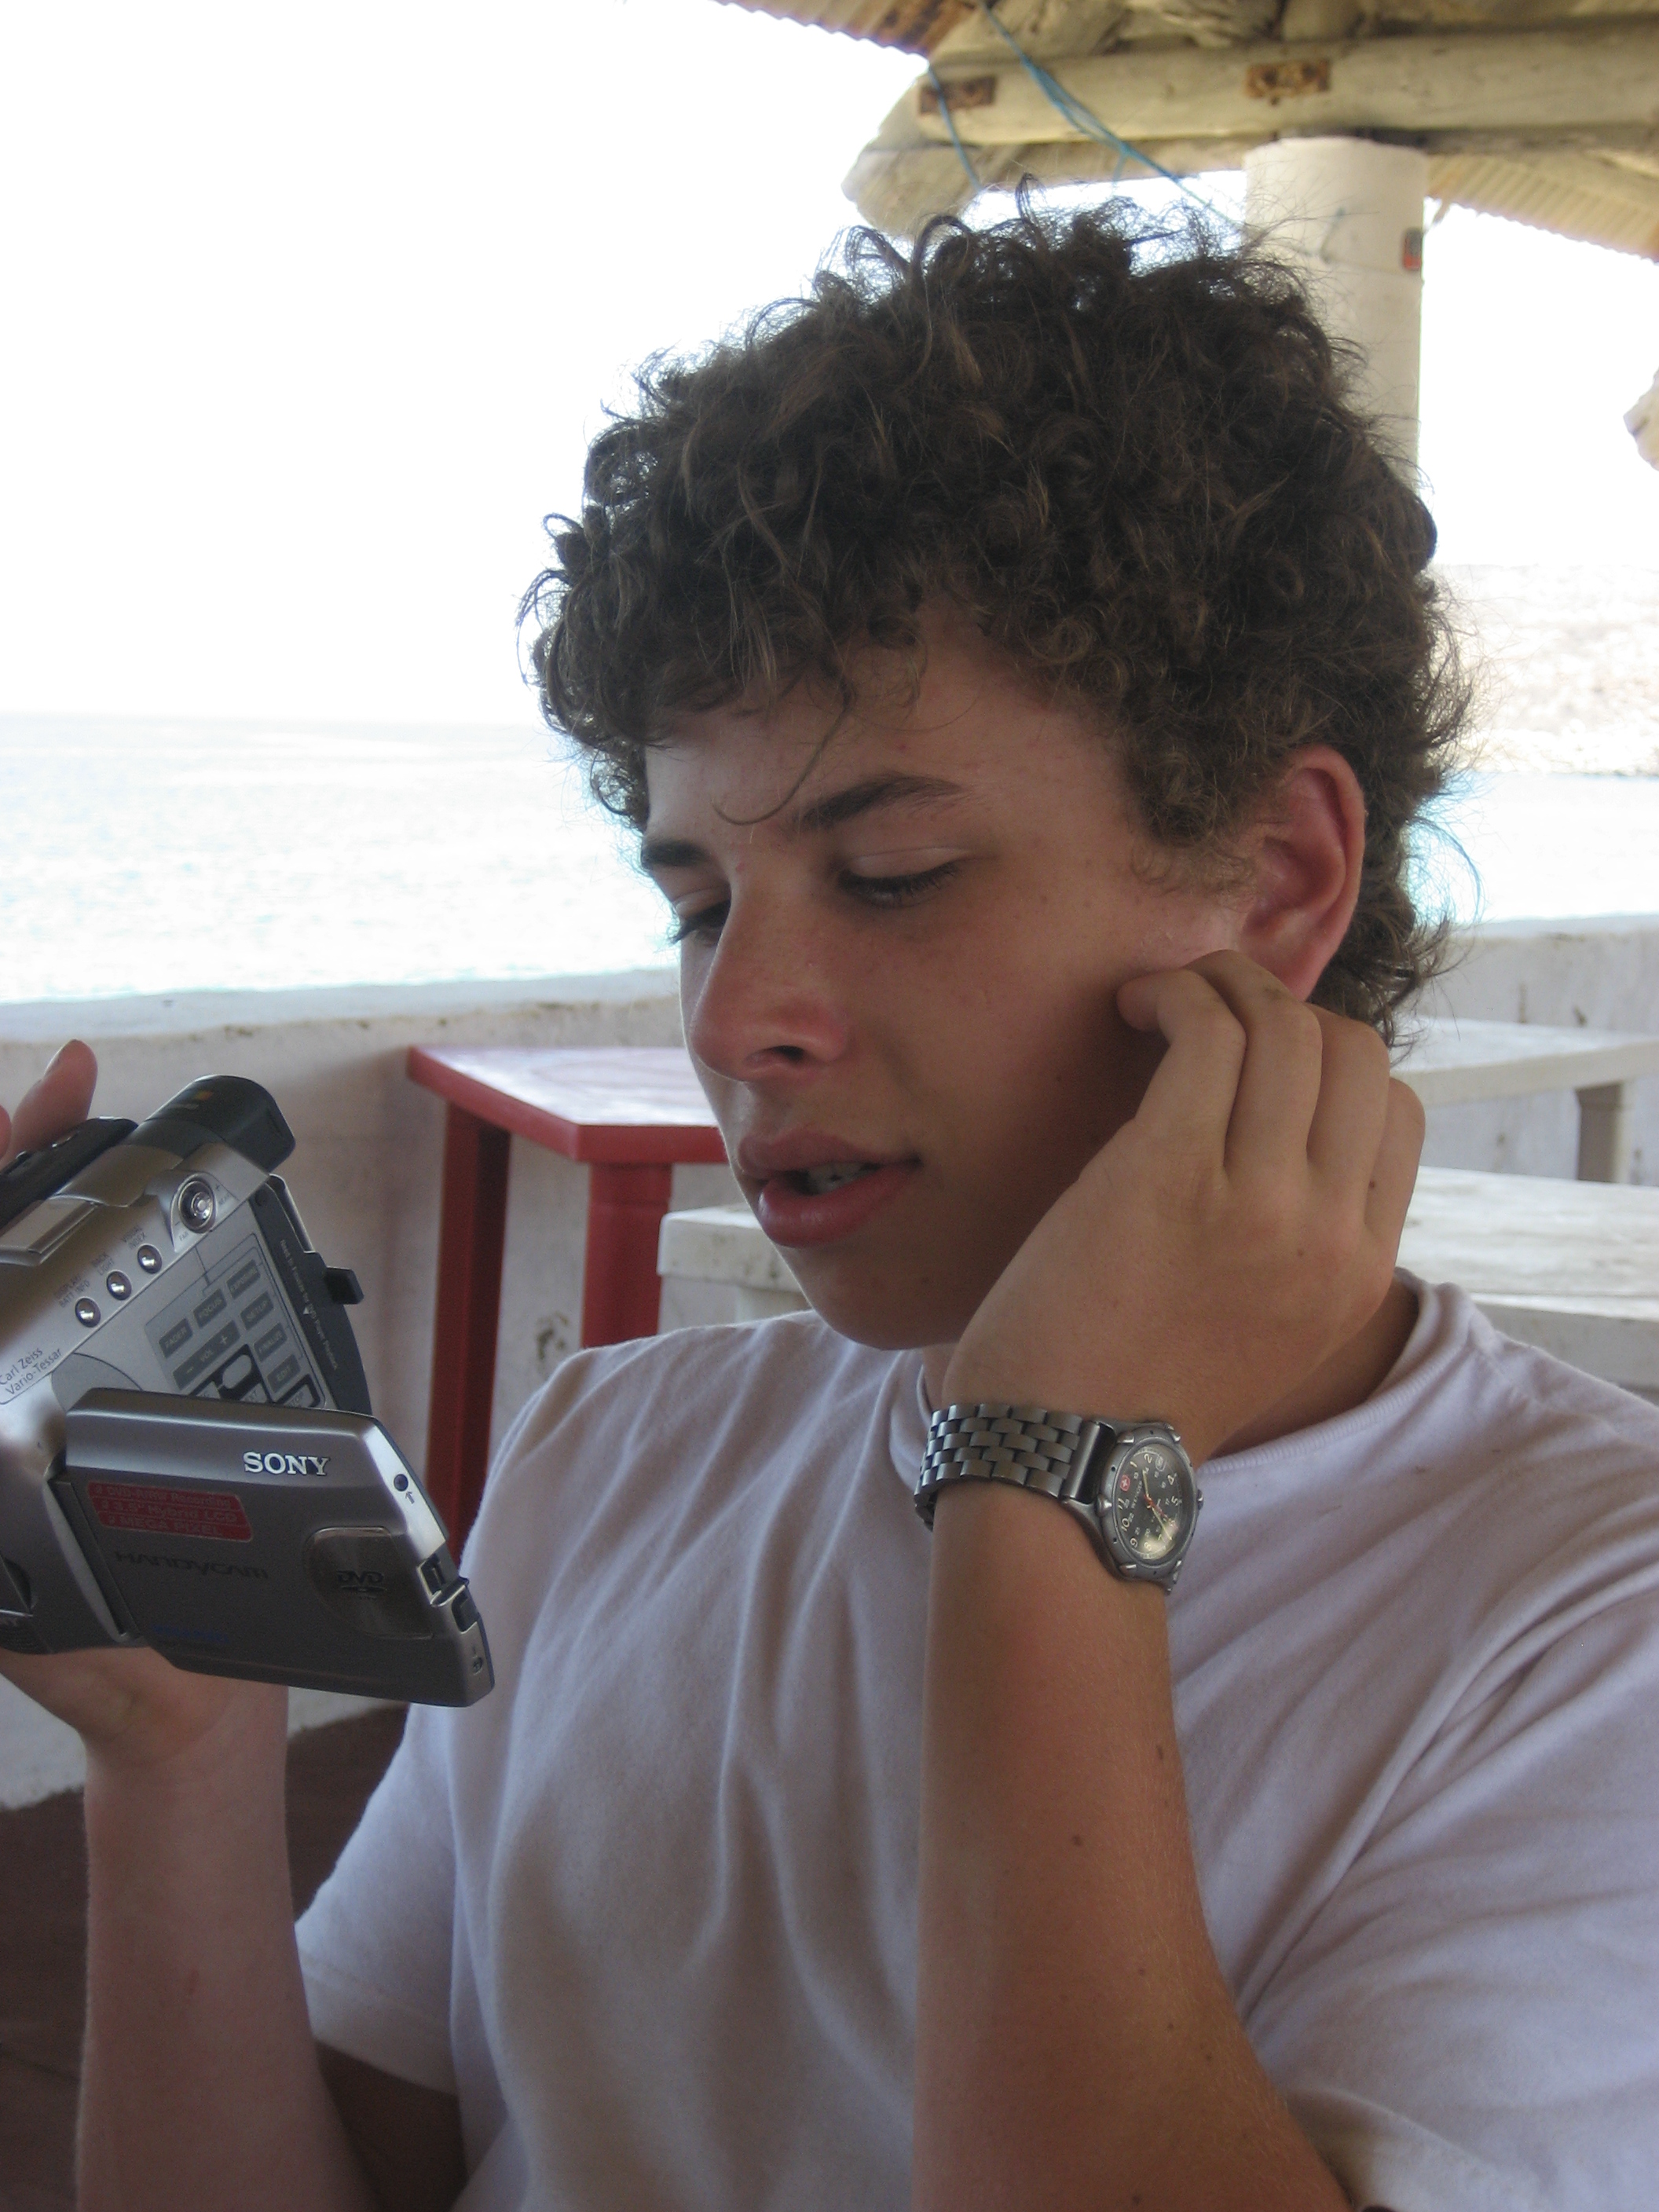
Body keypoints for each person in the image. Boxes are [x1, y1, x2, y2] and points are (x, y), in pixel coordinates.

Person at [4, 202, 1657, 2212]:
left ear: (1281, 878)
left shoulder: (1592, 1623)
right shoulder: (618, 1454)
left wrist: (1051, 1472)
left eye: (893, 877)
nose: (739, 1019)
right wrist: (176, 1753)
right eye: (700, 902)